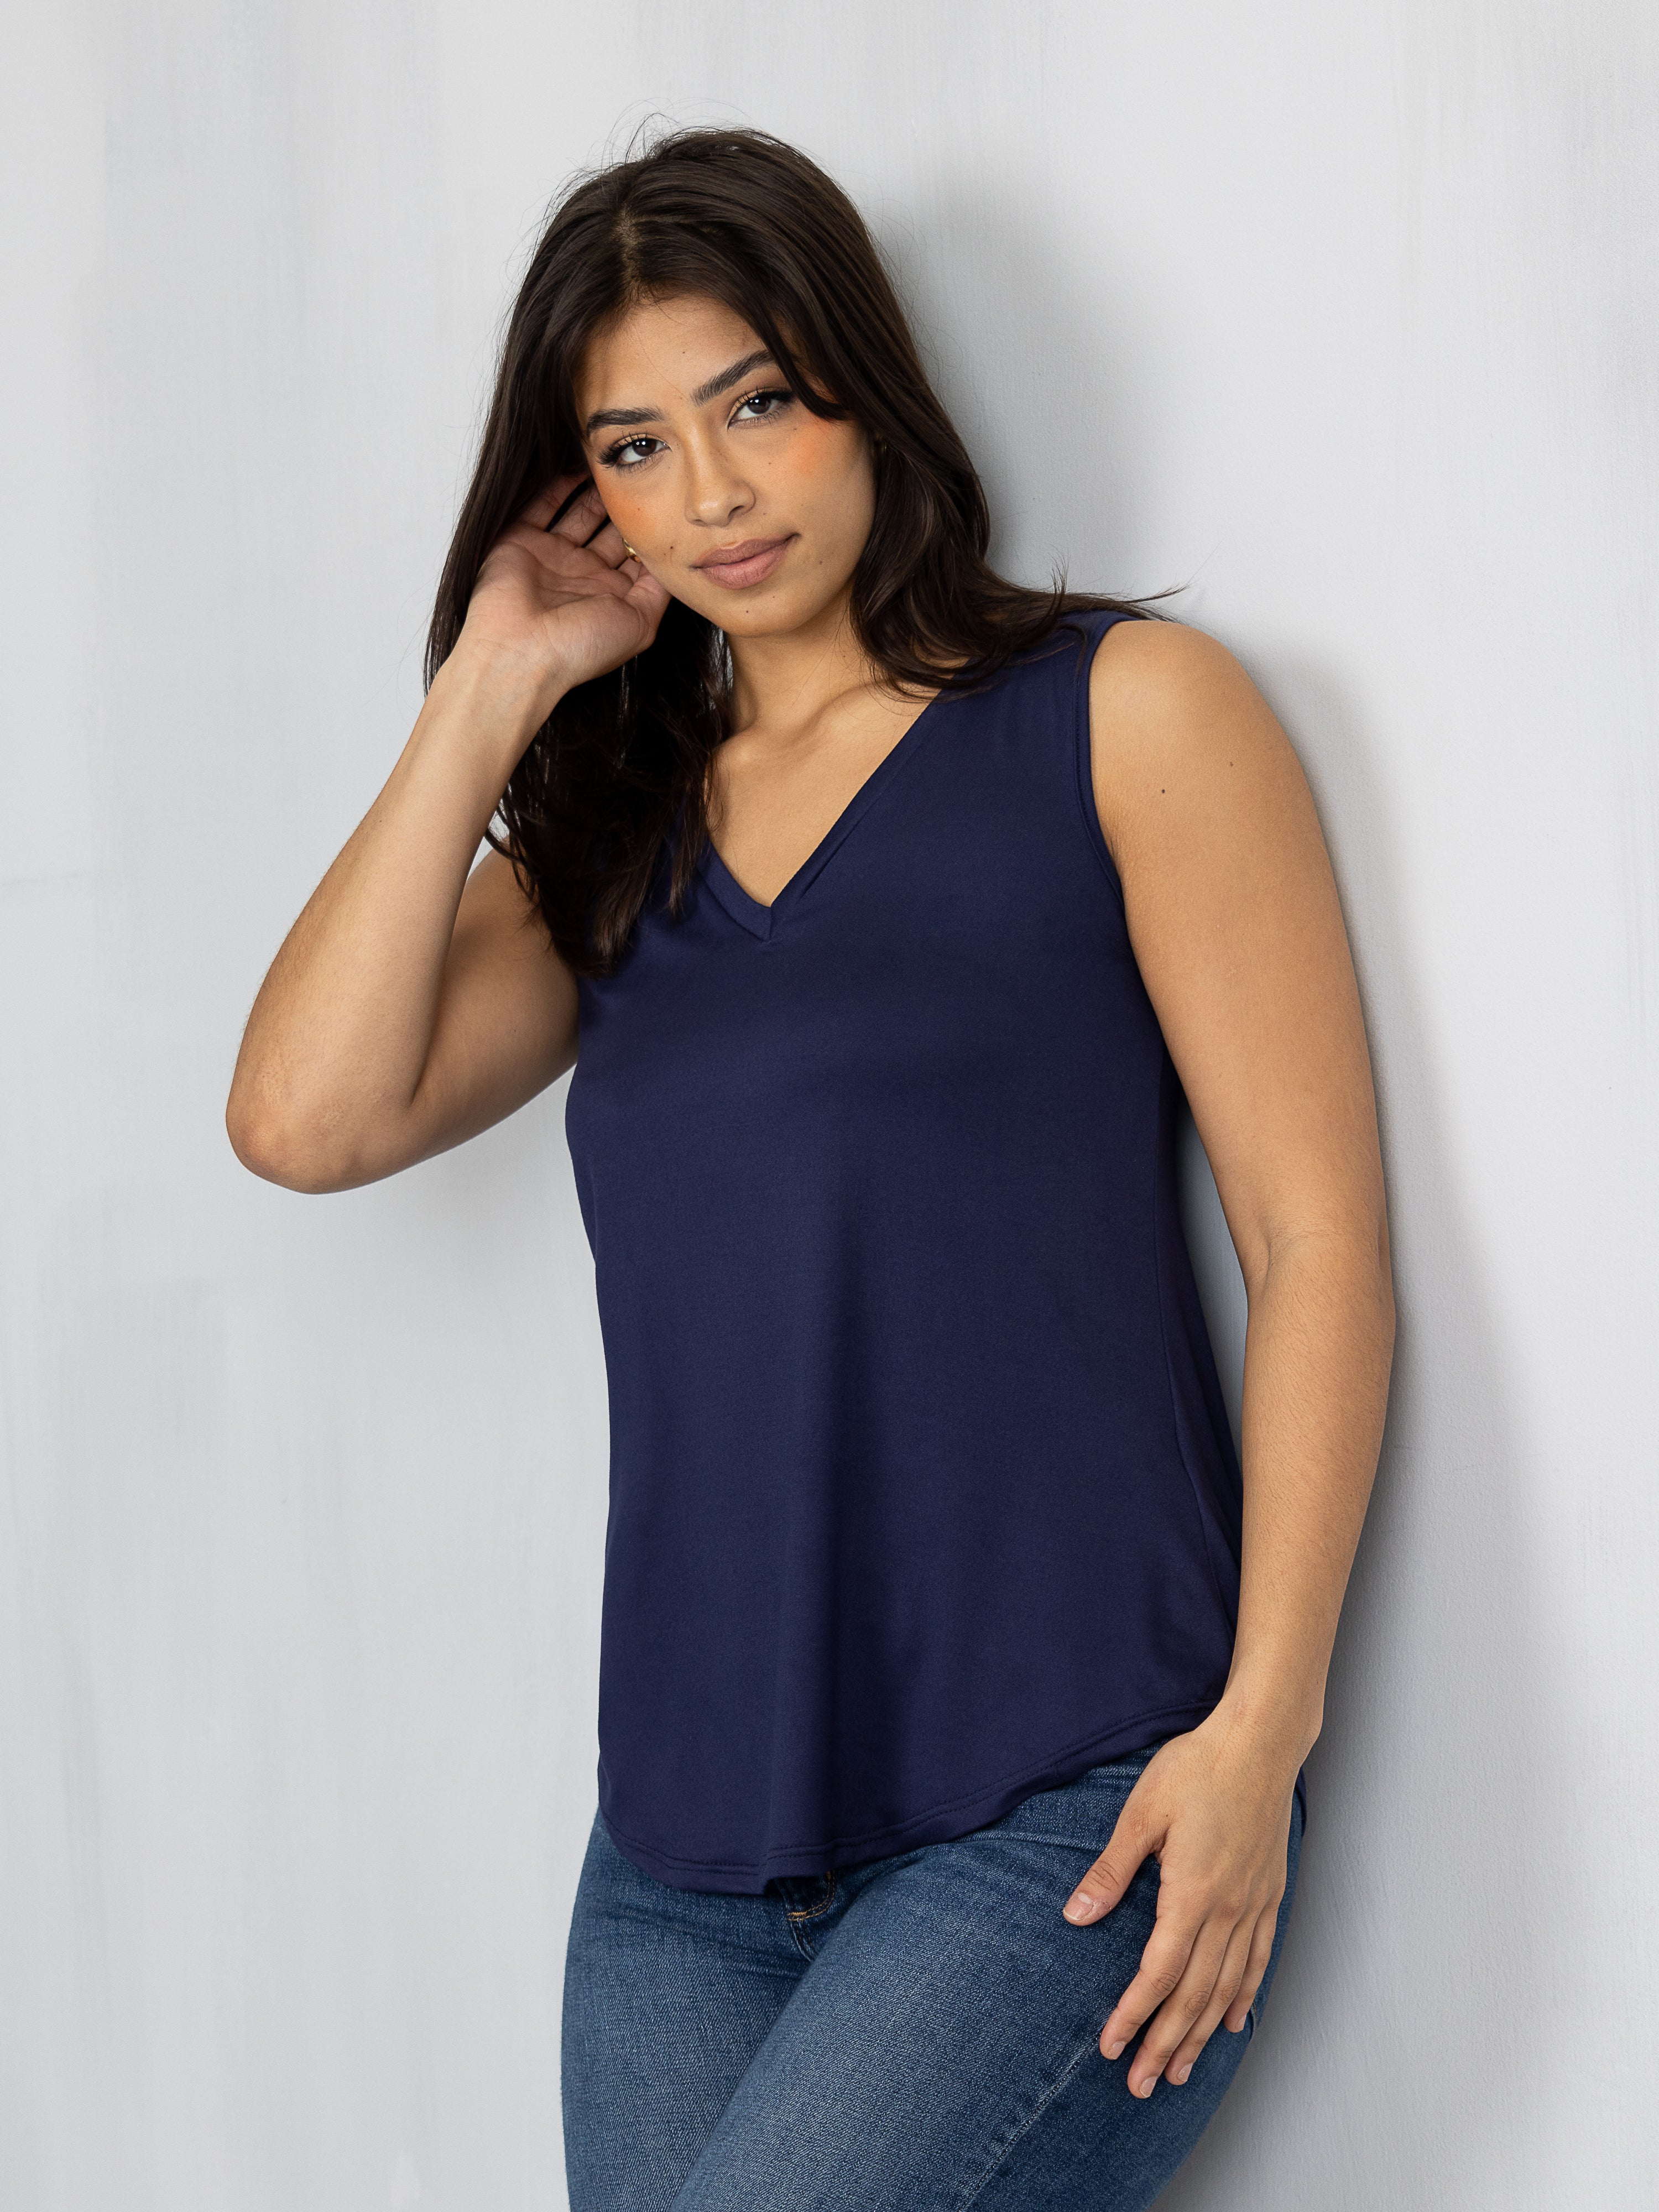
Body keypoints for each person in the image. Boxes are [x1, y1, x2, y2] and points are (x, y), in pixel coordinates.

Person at [226, 125, 1394, 2212]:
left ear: (863, 382)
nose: (713, 494)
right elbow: (302, 1123)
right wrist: (495, 682)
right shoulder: (611, 846)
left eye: (755, 402)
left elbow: (1313, 1240)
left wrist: (1264, 1738)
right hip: (679, 1864)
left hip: (1066, 1804)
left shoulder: (1122, 714)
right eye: (638, 447)